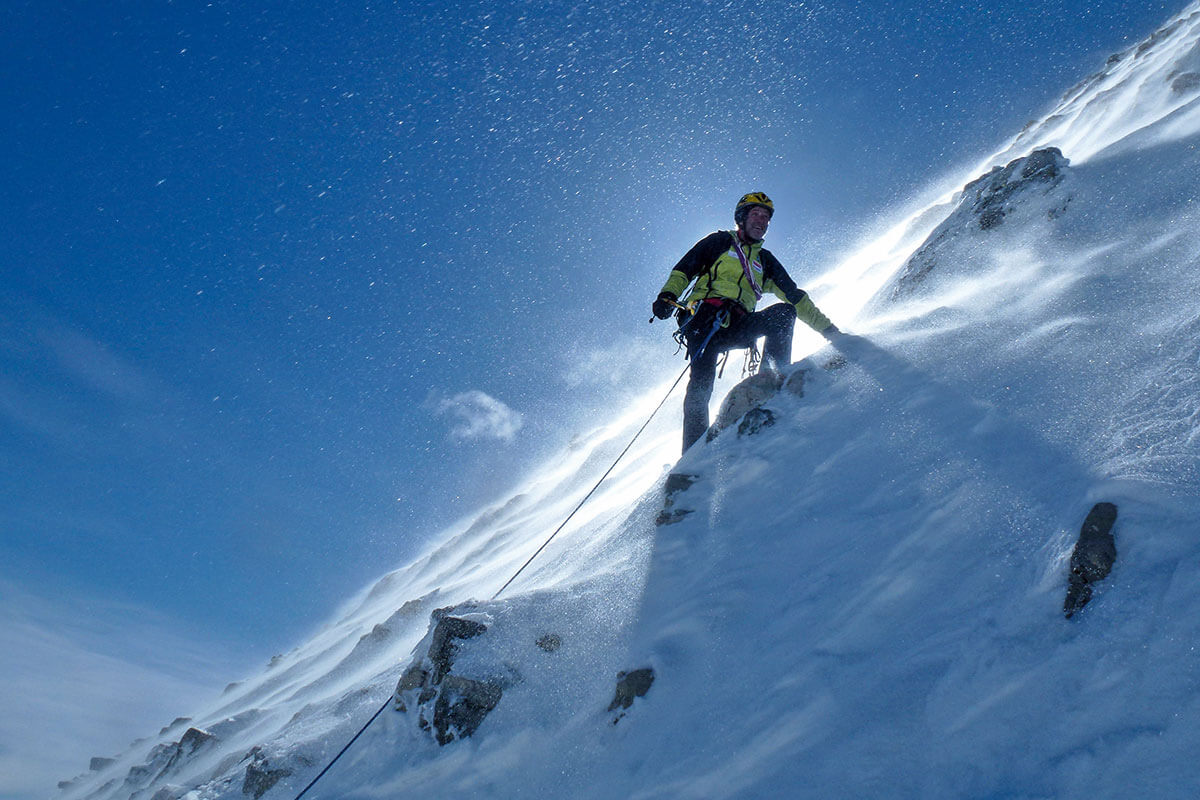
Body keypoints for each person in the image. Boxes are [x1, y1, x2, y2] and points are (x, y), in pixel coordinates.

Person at [652, 192, 839, 452]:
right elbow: (684, 269)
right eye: (755, 214)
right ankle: (693, 453)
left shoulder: (765, 261)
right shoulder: (718, 242)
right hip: (703, 322)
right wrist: (667, 295)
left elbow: (796, 298)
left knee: (783, 314)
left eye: (766, 217)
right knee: (700, 385)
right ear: (742, 217)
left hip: (737, 326)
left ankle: (769, 379)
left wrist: (829, 330)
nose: (761, 220)